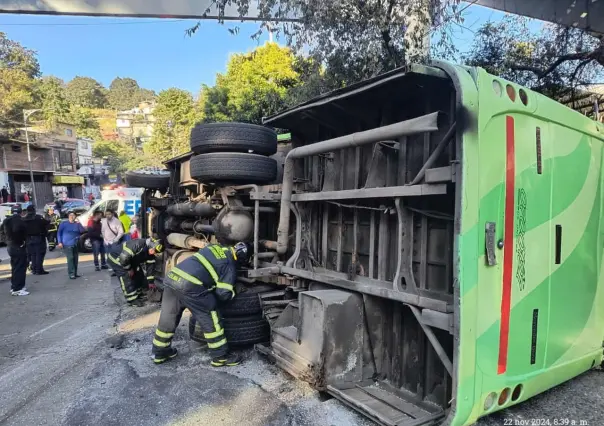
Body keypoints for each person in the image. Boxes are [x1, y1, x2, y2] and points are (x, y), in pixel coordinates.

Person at [151, 242, 252, 367]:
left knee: (168, 317)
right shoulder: (230, 265)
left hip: (172, 277)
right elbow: (223, 294)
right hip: (189, 285)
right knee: (210, 314)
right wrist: (234, 291)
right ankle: (220, 356)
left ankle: (160, 352)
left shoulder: (215, 247)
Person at [108, 238, 163, 307]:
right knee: (126, 277)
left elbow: (150, 267)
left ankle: (138, 294)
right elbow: (124, 258)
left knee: (138, 274)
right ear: (151, 245)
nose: (153, 252)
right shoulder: (138, 244)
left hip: (130, 260)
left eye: (155, 252)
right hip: (117, 258)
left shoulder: (151, 253)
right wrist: (129, 269)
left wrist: (150, 282)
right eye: (153, 250)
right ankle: (132, 300)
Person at [3, 205, 29, 295]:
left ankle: (14, 286)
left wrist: (7, 241)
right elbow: (19, 231)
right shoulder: (19, 220)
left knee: (14, 267)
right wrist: (21, 242)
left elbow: (2, 232)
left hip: (10, 246)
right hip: (18, 246)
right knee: (20, 267)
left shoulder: (7, 220)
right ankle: (18, 289)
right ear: (21, 212)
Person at [57, 211, 86, 279]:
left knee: (75, 259)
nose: (72, 216)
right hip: (67, 244)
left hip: (76, 243)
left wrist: (79, 223)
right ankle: (71, 273)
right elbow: (59, 233)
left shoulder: (77, 224)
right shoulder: (64, 224)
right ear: (68, 216)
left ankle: (75, 273)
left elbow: (82, 231)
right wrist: (59, 242)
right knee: (70, 258)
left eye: (73, 215)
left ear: (75, 216)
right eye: (70, 215)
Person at [24, 205, 49, 275]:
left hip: (28, 239)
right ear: (34, 210)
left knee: (33, 255)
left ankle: (34, 269)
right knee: (39, 254)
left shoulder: (24, 219)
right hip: (38, 238)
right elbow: (47, 223)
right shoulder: (38, 217)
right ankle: (39, 270)